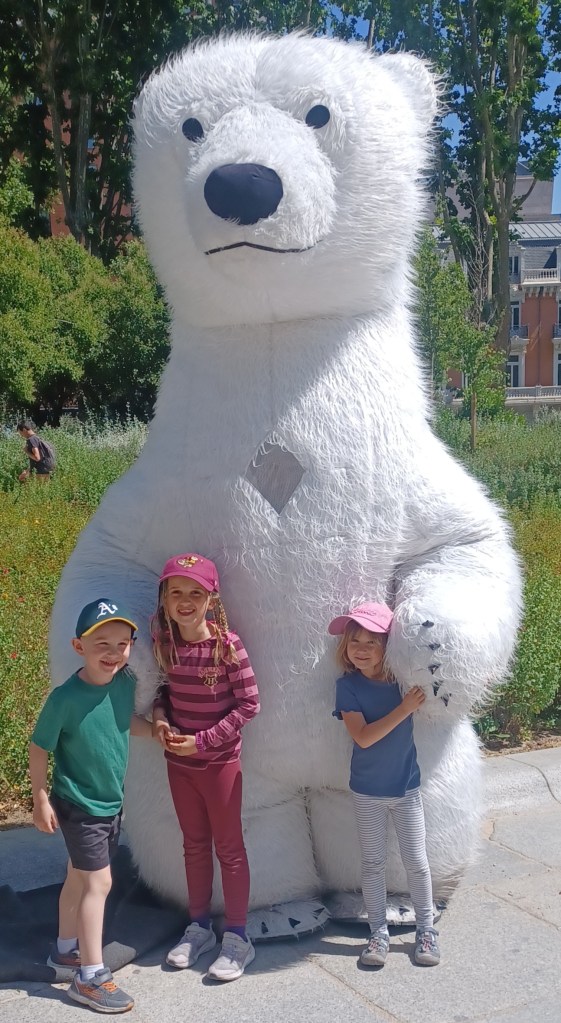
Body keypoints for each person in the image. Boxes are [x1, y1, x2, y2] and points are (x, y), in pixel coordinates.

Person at [29, 599, 153, 1013]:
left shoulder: (123, 683)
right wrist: (41, 798)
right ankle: (90, 976)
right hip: (78, 804)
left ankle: (66, 951)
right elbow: (39, 746)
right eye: (101, 642)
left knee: (79, 879)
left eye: (122, 643)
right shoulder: (65, 698)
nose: (113, 652)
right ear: (78, 646)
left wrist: (155, 732)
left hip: (108, 802)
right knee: (100, 883)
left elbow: (120, 722)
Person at [152, 553, 260, 982]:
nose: (185, 600)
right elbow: (162, 693)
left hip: (219, 766)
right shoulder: (164, 644)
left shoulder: (227, 645)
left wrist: (202, 741)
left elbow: (251, 704)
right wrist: (160, 721)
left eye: (195, 593)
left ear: (211, 599)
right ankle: (199, 927)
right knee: (193, 844)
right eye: (176, 592)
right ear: (163, 598)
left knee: (229, 849)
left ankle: (237, 936)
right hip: (179, 767)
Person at [329, 601, 441, 968]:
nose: (361, 649)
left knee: (417, 863)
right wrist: (404, 709)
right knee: (373, 864)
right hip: (367, 792)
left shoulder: (403, 682)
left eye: (371, 642)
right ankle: (378, 934)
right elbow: (362, 737)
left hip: (406, 789)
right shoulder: (348, 687)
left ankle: (427, 930)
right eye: (354, 641)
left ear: (387, 647)